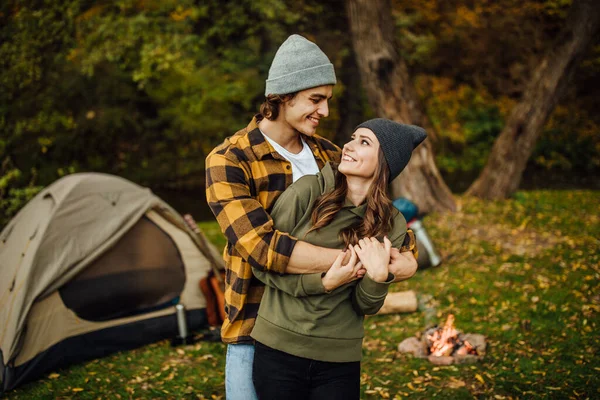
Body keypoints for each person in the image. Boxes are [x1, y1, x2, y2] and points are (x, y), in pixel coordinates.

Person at [205, 34, 417, 399]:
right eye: (315, 100)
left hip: (324, 334)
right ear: (283, 96)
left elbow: (399, 241)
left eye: (328, 101)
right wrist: (359, 260)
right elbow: (262, 248)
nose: (325, 112)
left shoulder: (331, 157)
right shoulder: (230, 160)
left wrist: (402, 262)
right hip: (252, 324)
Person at [251, 119, 427, 400]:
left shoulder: (392, 223)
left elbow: (365, 304)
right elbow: (262, 264)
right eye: (353, 137)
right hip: (279, 348)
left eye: (364, 142)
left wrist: (379, 278)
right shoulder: (306, 193)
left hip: (340, 357)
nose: (348, 145)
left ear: (385, 162)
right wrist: (323, 283)